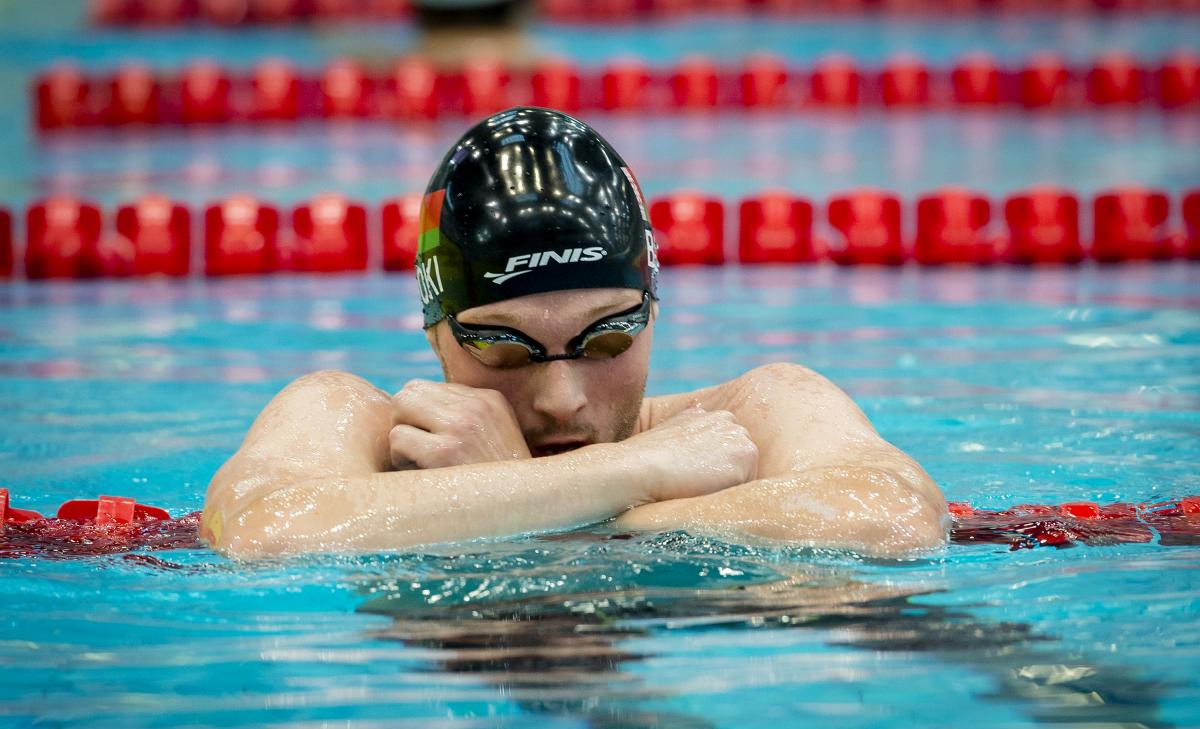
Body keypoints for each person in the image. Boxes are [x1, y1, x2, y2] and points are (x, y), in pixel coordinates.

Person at [202, 107, 948, 558]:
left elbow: (895, 519)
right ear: (436, 334)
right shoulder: (348, 419)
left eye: (604, 340)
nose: (560, 398)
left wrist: (528, 506)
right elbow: (264, 534)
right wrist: (619, 479)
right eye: (502, 344)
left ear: (654, 312)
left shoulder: (751, 416)